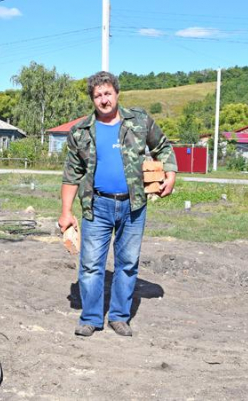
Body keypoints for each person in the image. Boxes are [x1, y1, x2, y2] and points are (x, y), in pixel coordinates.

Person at [58, 71, 177, 337]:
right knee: (90, 264)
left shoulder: (139, 121)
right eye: (98, 95)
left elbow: (163, 146)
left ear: (117, 93)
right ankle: (90, 318)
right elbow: (71, 174)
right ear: (92, 99)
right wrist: (66, 212)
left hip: (133, 206)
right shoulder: (80, 132)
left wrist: (171, 173)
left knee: (127, 263)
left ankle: (120, 317)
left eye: (107, 93)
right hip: (96, 206)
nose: (103, 99)